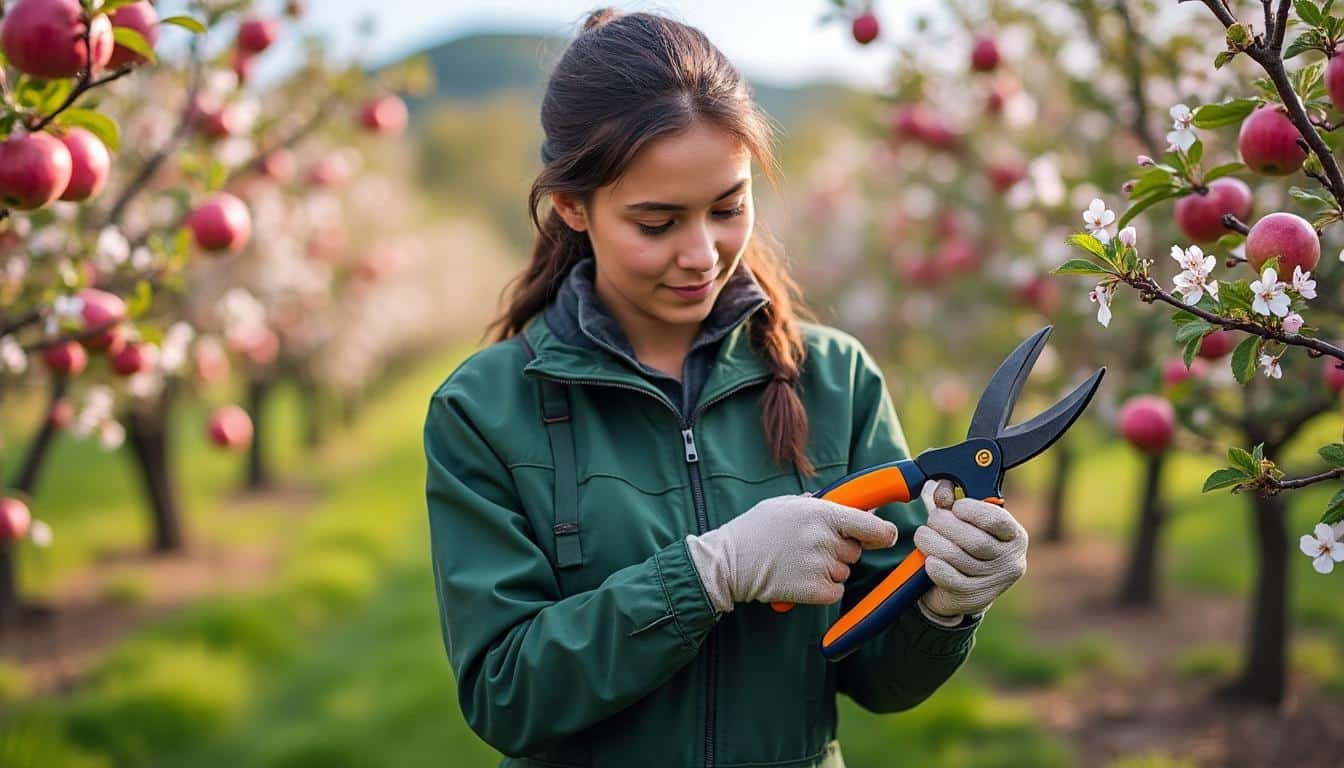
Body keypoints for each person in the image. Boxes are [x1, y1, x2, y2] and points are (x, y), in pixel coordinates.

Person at [423, 9, 1029, 767]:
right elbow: (505, 693)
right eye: (657, 222)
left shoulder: (834, 381)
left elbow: (877, 680)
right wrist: (708, 574)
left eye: (728, 208)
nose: (701, 254)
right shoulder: (484, 409)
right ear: (574, 207)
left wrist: (946, 603)